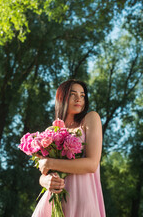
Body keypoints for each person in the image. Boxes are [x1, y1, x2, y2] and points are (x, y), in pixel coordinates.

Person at [32, 79, 106, 217]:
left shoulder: (91, 118)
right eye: (73, 94)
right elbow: (43, 173)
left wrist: (50, 163)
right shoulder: (52, 133)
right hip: (53, 202)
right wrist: (46, 181)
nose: (79, 98)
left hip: (82, 198)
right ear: (62, 97)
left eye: (82, 95)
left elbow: (92, 164)